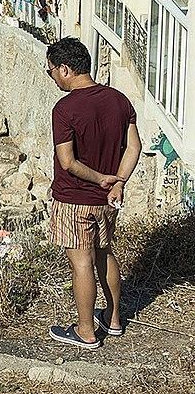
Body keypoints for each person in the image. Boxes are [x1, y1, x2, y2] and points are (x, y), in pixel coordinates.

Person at [45, 37, 139, 349]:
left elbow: (68, 161)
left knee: (81, 263)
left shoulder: (65, 108)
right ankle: (112, 320)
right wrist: (119, 181)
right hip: (107, 201)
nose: (53, 78)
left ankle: (85, 331)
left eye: (51, 72)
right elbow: (134, 146)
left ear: (65, 69)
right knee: (104, 253)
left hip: (73, 199)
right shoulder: (119, 100)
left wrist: (100, 178)